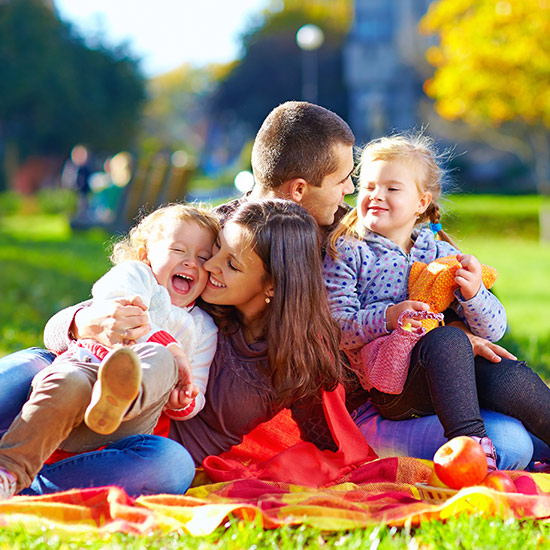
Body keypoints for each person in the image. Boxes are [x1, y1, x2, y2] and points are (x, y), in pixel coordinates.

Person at [0, 102, 541, 486]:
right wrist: (84, 322)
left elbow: (417, 294)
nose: (353, 192)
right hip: (145, 385)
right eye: (344, 179)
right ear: (299, 190)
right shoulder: (208, 242)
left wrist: (450, 331)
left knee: (511, 442)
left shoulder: (341, 238)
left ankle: (26, 472)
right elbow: (119, 291)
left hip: (338, 402)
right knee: (33, 367)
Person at [323, 132, 550, 471]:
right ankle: (470, 449)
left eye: (391, 188)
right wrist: (389, 317)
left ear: (421, 202)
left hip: (451, 377)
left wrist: (473, 295)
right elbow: (335, 327)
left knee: (506, 374)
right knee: (446, 339)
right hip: (393, 386)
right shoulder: (348, 250)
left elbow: (495, 329)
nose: (376, 196)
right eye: (368, 186)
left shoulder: (440, 252)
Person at [0, 204, 219, 499]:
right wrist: (167, 342)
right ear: (145, 255)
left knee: (163, 360)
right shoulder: (135, 277)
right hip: (83, 372)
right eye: (178, 251)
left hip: (128, 417)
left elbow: (197, 388)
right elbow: (113, 303)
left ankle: (119, 397)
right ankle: (10, 474)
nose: (191, 263)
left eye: (202, 258)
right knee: (66, 380)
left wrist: (184, 399)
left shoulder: (203, 328)